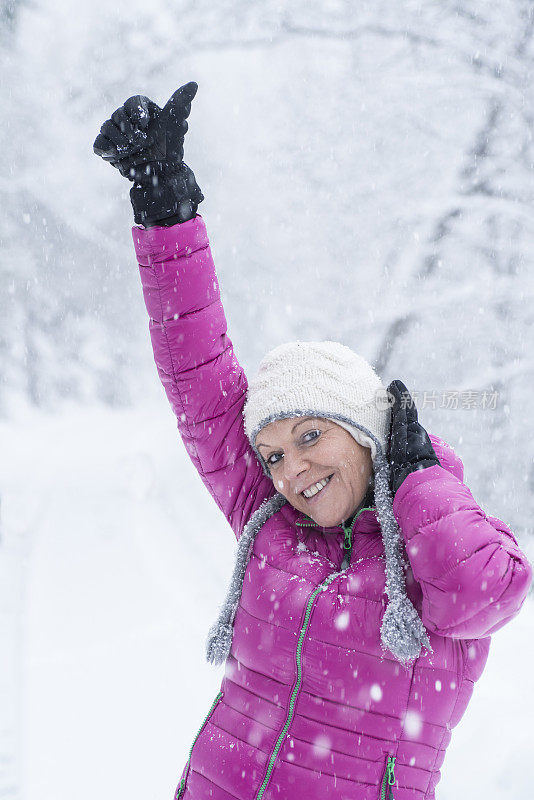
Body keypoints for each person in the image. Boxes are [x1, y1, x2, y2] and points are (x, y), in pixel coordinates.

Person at [94, 83, 532, 800]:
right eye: (272, 454)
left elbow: (492, 591)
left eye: (309, 435)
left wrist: (419, 480)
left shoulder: (428, 555)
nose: (291, 469)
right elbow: (199, 380)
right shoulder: (273, 527)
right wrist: (166, 211)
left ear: (364, 434)